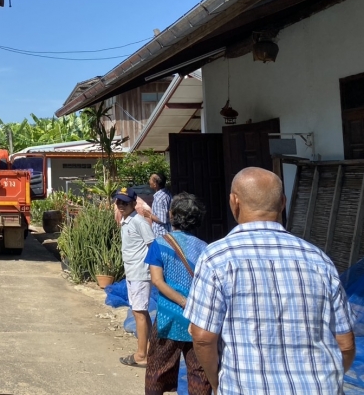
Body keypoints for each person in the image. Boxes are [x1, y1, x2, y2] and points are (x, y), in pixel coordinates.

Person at [184, 167, 356, 395]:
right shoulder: (319, 259)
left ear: (234, 202)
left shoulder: (216, 258)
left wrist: (216, 384)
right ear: (283, 202)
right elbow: (346, 344)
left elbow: (203, 338)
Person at [145, 192, 211, 395]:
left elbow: (157, 281)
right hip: (197, 320)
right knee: (200, 375)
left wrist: (183, 302)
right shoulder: (206, 249)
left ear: (171, 215)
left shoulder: (159, 244)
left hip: (168, 319)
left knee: (156, 373)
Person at [115, 186, 155, 368]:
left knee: (138, 313)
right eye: (119, 202)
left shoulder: (139, 222)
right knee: (141, 312)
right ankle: (150, 349)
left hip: (140, 274)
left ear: (133, 203)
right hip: (132, 273)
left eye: (125, 202)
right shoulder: (125, 222)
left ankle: (141, 355)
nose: (121, 205)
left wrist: (154, 271)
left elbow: (152, 246)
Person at [144, 172, 172, 237]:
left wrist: (149, 215)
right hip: (168, 231)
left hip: (161, 234)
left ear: (155, 184)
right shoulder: (167, 193)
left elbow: (162, 219)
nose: (149, 181)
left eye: (150, 179)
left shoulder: (159, 198)